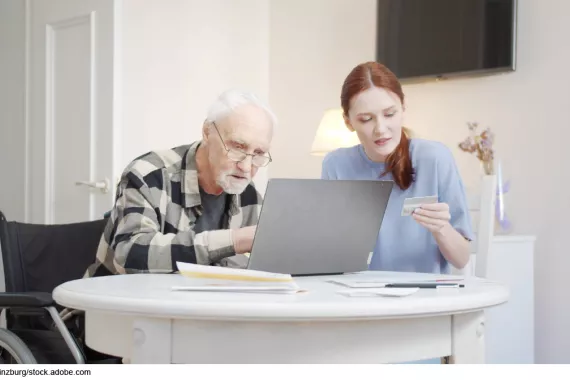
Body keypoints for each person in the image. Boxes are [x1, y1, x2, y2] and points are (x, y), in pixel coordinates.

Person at [84, 89, 276, 277]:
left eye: (258, 153)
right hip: (115, 304)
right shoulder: (148, 174)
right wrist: (235, 240)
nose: (246, 166)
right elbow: (131, 255)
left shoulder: (247, 193)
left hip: (193, 306)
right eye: (237, 147)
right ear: (207, 132)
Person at [321, 61, 473, 274]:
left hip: (422, 301)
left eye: (390, 114)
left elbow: (461, 259)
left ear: (403, 108)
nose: (380, 129)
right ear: (348, 122)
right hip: (359, 299)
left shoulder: (434, 158)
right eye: (366, 119)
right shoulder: (336, 165)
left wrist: (441, 229)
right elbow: (329, 252)